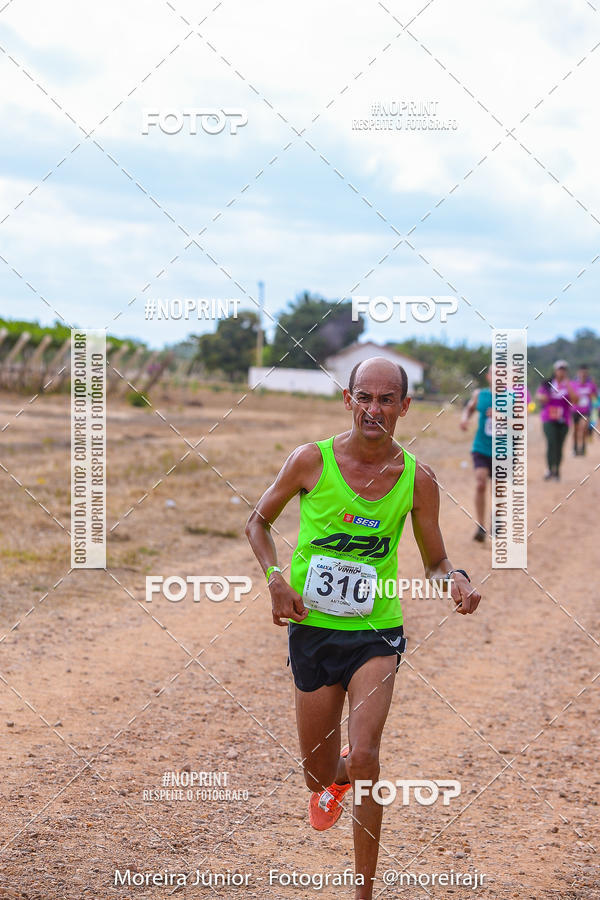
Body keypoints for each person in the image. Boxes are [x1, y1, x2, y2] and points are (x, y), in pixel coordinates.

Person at [245, 357, 481, 900]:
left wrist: (457, 578)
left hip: (376, 631)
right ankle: (335, 779)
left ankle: (363, 892)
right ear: (347, 400)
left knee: (368, 755)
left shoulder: (417, 479)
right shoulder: (311, 461)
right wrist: (276, 578)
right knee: (319, 773)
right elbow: (258, 521)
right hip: (311, 629)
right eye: (364, 397)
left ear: (404, 406)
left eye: (385, 399)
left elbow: (436, 560)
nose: (373, 409)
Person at [460, 367, 492, 542]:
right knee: (481, 483)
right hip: (481, 447)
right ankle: (481, 526)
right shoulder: (481, 394)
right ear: (488, 376)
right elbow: (469, 408)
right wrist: (465, 418)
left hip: (503, 450)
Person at [536, 360, 578, 480]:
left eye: (564, 369)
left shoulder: (570, 385)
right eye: (560, 369)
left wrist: (568, 384)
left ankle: (557, 470)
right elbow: (539, 396)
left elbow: (575, 400)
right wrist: (544, 397)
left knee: (559, 445)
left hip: (563, 420)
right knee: (551, 443)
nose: (561, 372)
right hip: (549, 419)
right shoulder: (547, 384)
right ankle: (549, 469)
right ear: (555, 371)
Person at [571, 364, 597, 456]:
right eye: (582, 373)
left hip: (586, 411)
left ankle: (583, 448)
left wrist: (596, 406)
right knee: (575, 430)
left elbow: (595, 397)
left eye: (585, 373)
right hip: (575, 410)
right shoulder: (573, 384)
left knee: (584, 428)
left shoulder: (591, 385)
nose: (583, 375)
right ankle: (574, 448)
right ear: (578, 373)